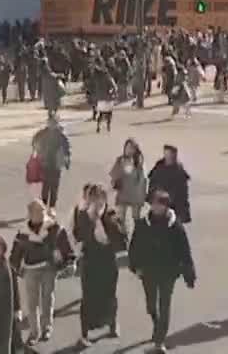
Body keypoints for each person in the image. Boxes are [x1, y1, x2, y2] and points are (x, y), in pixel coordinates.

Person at [127, 190, 195, 353]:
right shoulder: (143, 224)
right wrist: (135, 266)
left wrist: (189, 274)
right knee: (151, 305)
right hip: (148, 272)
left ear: (165, 206)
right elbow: (134, 247)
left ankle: (160, 341)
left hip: (168, 273)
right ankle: (157, 324)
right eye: (154, 204)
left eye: (159, 204)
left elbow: (184, 251)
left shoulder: (176, 226)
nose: (155, 207)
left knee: (165, 305)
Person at [9, 199, 71, 344]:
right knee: (32, 302)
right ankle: (34, 332)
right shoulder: (23, 232)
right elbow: (16, 253)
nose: (41, 213)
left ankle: (47, 328)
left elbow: (64, 244)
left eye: (42, 210)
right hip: (30, 270)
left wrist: (68, 261)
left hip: (48, 268)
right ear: (30, 214)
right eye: (37, 211)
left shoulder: (53, 228)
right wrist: (16, 268)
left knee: (47, 298)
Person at [72, 182, 125, 344]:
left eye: (99, 198)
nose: (96, 202)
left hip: (107, 261)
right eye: (93, 198)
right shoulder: (81, 214)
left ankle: (113, 324)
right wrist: (90, 219)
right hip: (90, 261)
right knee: (88, 297)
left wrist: (103, 221)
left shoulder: (111, 214)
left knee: (109, 294)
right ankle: (84, 333)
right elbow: (78, 235)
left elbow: (121, 237)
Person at [30, 112, 71, 209]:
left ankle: (50, 206)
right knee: (49, 186)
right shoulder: (57, 134)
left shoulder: (54, 134)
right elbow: (66, 149)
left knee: (50, 186)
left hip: (52, 163)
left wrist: (36, 152)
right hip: (49, 163)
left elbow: (66, 149)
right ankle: (48, 206)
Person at [147, 146, 192, 223]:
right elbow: (152, 183)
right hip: (160, 203)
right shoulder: (159, 167)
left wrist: (184, 212)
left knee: (174, 228)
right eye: (166, 154)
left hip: (175, 206)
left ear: (174, 155)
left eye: (170, 155)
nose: (168, 157)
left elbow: (183, 194)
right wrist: (152, 197)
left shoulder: (179, 171)